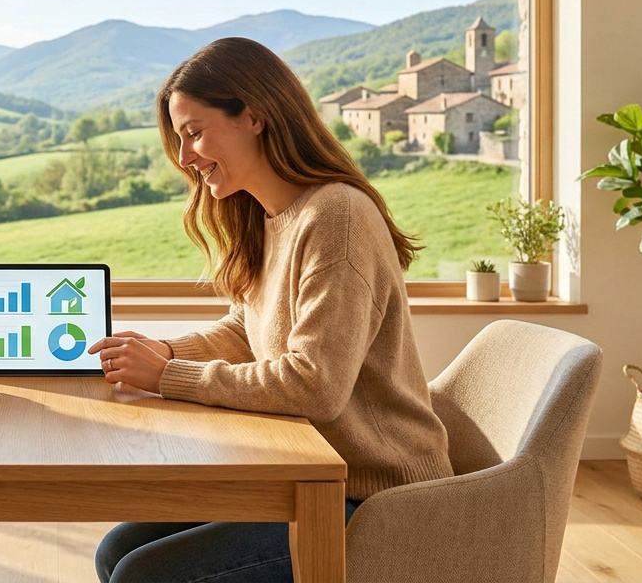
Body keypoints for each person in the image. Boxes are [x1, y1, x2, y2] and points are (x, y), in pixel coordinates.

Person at [87, 37, 453, 583]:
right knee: (117, 550)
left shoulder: (335, 217)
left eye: (194, 133)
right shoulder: (271, 215)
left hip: (376, 495)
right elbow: (247, 328)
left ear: (255, 116)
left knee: (145, 575)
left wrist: (170, 376)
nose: (185, 158)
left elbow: (316, 384)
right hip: (307, 472)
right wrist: (163, 352)